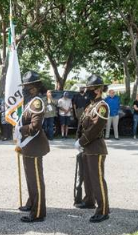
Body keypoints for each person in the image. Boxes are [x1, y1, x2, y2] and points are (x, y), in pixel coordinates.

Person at [14, 71, 50, 223]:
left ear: (34, 88)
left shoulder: (37, 102)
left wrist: (19, 130)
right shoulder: (30, 102)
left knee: (36, 180)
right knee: (30, 179)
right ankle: (32, 203)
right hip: (29, 146)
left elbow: (35, 126)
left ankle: (38, 212)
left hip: (34, 146)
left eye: (26, 86)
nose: (24, 89)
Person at [74, 74, 110, 223]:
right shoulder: (91, 105)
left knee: (97, 179)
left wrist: (81, 142)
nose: (86, 91)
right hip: (86, 147)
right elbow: (82, 124)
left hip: (95, 147)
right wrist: (78, 140)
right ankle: (89, 200)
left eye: (90, 89)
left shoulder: (102, 106)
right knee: (87, 177)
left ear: (98, 90)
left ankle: (103, 210)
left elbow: (95, 129)